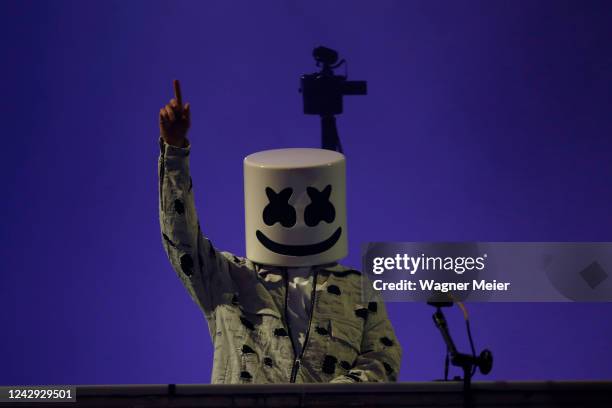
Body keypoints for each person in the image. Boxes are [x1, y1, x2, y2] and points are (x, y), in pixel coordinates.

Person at [158, 79, 401, 383]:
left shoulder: (357, 289)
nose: (298, 221)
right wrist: (175, 152)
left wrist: (338, 396)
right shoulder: (228, 278)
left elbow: (383, 357)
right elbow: (181, 239)